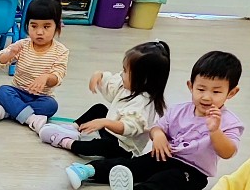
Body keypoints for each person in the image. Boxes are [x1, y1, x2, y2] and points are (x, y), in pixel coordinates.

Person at [67, 50, 244, 190]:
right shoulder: (179, 110)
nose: (206, 97)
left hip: (193, 172)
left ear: (232, 92)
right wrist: (158, 135)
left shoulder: (230, 122)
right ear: (190, 86)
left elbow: (227, 152)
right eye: (201, 89)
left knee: (165, 183)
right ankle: (88, 170)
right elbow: (156, 128)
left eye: (216, 91)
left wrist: (215, 131)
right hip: (164, 155)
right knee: (134, 165)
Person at [37, 41, 170, 156]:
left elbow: (127, 129)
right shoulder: (129, 86)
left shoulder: (142, 104)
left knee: (103, 145)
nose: (121, 74)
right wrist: (99, 75)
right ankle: (73, 128)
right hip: (110, 130)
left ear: (143, 79)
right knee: (99, 109)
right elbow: (112, 87)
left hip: (123, 146)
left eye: (125, 71)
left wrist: (104, 122)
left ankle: (66, 142)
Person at [0, 0, 69, 125]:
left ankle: (11, 111)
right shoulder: (23, 45)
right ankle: (30, 118)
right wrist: (10, 54)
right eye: (34, 26)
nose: (39, 32)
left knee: (51, 106)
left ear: (57, 26)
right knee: (2, 91)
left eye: (46, 26)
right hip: (18, 92)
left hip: (41, 97)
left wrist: (46, 77)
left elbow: (57, 77)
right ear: (27, 25)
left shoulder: (61, 51)